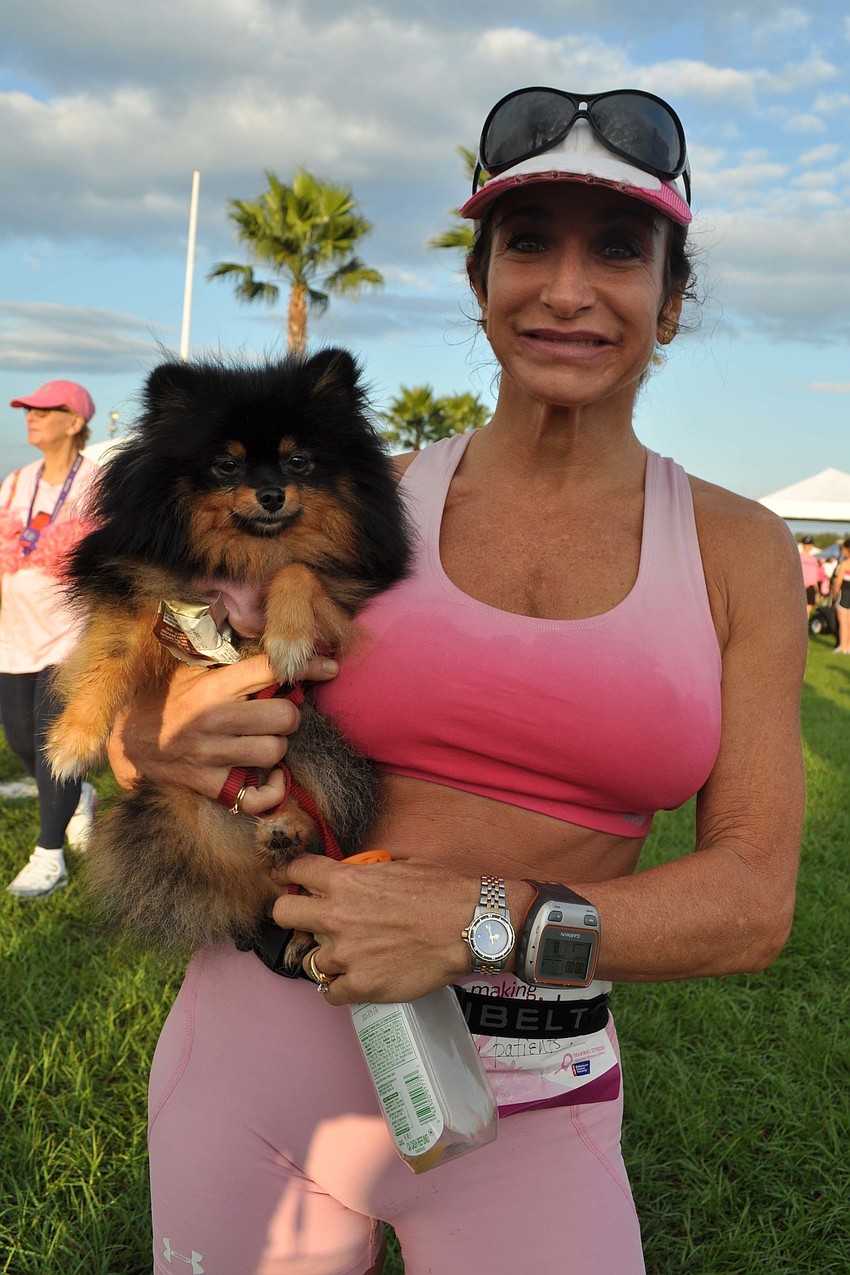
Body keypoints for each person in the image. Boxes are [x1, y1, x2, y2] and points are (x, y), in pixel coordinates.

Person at [110, 87, 806, 1275]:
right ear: (480, 283)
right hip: (252, 1054)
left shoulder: (738, 550)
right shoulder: (348, 500)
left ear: (673, 302)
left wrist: (481, 922)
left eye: (619, 252)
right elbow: (145, 703)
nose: (568, 290)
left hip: (531, 1100)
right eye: (528, 244)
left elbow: (749, 903)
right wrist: (155, 729)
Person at [2, 380, 100, 898]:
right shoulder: (17, 482)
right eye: (28, 409)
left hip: (70, 638)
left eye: (44, 409)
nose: (31, 416)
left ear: (75, 421)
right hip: (15, 636)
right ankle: (79, 794)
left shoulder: (97, 484)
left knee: (51, 745)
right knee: (21, 740)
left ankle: (49, 855)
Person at [829, 538, 850, 654]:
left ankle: (843, 646)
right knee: (849, 621)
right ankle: (848, 646)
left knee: (842, 621)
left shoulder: (845, 563)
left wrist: (835, 593)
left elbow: (838, 581)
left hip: (845, 593)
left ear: (847, 549)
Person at [798, 535, 824, 619]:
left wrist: (817, 591)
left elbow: (815, 575)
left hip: (811, 587)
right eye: (806, 545)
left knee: (808, 609)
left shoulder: (814, 559)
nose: (808, 547)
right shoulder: (798, 557)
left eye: (809, 545)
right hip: (799, 586)